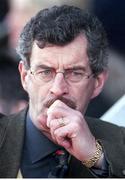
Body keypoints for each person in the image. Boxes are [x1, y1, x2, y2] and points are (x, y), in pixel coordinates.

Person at [0, 5, 125, 178]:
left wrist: (96, 158)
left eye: (75, 73)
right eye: (45, 72)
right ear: (24, 77)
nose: (58, 89)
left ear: (98, 82)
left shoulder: (120, 143)